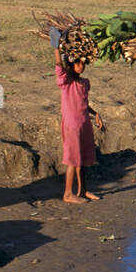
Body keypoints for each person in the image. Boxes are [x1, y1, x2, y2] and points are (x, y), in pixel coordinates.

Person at [52, 35, 102, 203]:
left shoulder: (85, 83)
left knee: (82, 159)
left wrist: (95, 113)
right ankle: (67, 193)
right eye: (78, 63)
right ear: (71, 65)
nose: (81, 66)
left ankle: (83, 191)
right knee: (72, 160)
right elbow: (59, 68)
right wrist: (56, 48)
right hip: (72, 125)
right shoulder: (66, 83)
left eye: (83, 63)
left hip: (84, 124)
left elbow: (83, 103)